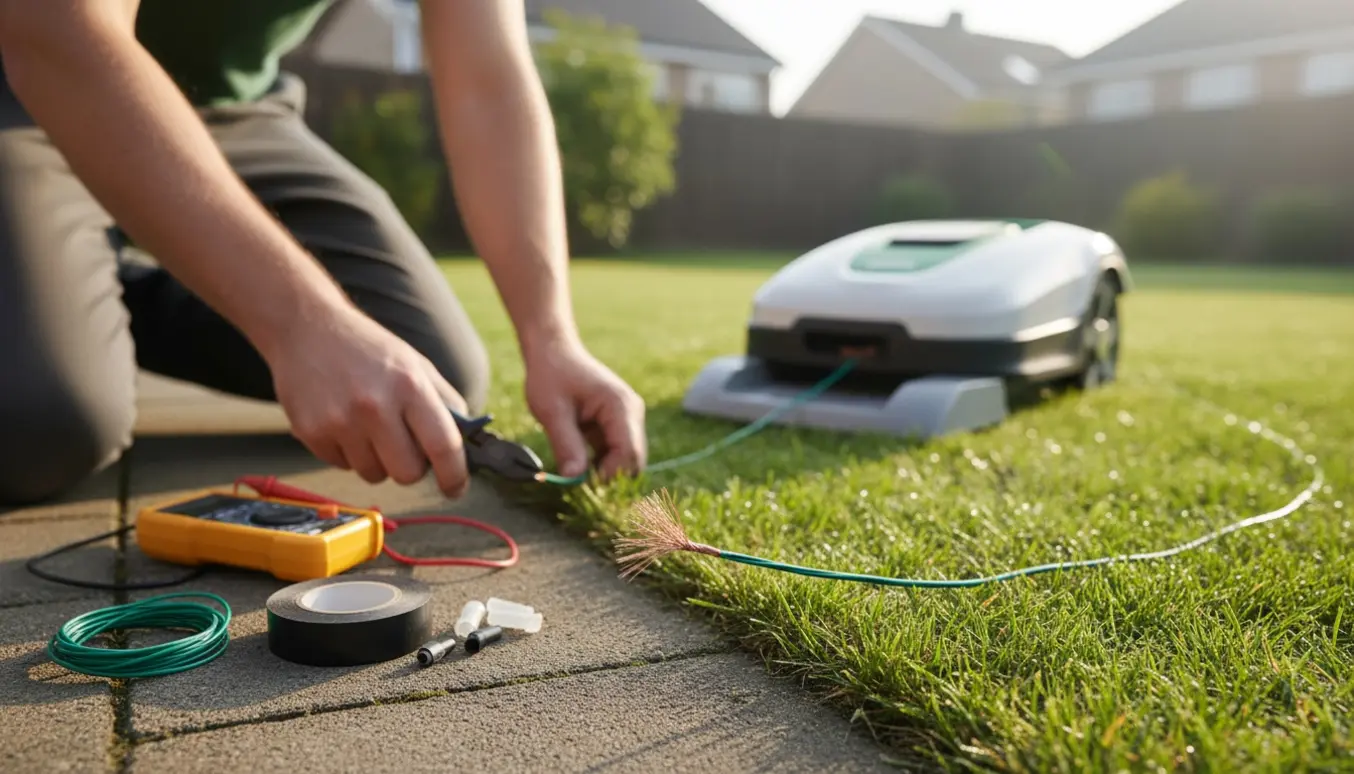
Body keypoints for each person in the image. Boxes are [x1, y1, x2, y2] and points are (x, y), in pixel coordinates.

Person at [0, 0, 647, 506]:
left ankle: (94, 298)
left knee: (429, 380)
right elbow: (54, 30)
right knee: (38, 425)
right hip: (29, 82)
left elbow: (487, 79)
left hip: (235, 107)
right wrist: (301, 322)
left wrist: (550, 336)